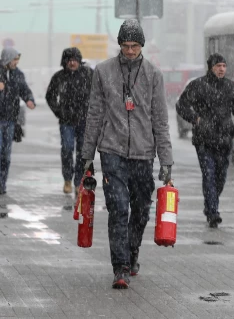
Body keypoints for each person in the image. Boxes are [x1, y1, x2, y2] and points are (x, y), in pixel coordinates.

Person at [81, 19, 173, 289]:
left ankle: (132, 253)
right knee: (118, 208)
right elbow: (95, 115)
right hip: (112, 151)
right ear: (119, 45)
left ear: (141, 46)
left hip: (144, 153)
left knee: (141, 210)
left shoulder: (153, 75)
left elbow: (160, 121)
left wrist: (166, 160)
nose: (130, 51)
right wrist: (87, 155)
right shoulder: (103, 71)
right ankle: (119, 266)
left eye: (134, 46)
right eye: (125, 46)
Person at [176, 53, 234, 228]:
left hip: (225, 140)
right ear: (211, 67)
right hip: (204, 140)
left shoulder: (230, 87)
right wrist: (196, 120)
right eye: (218, 66)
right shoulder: (198, 86)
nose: (221, 69)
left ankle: (210, 205)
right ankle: (212, 212)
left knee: (220, 178)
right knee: (209, 175)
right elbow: (181, 105)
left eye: (224, 66)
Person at [46, 47, 93, 195]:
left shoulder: (88, 74)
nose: (72, 63)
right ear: (64, 62)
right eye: (69, 60)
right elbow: (50, 96)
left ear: (80, 61)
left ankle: (78, 180)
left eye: (75, 60)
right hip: (66, 120)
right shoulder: (59, 77)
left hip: (84, 120)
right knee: (67, 149)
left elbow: (99, 93)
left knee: (82, 152)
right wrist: (59, 112)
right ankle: (67, 178)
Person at [0, 48, 36, 195]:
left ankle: (2, 184)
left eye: (17, 60)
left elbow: (24, 89)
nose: (16, 63)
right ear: (7, 59)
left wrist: (29, 100)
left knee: (6, 155)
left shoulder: (18, 75)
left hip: (10, 120)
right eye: (14, 60)